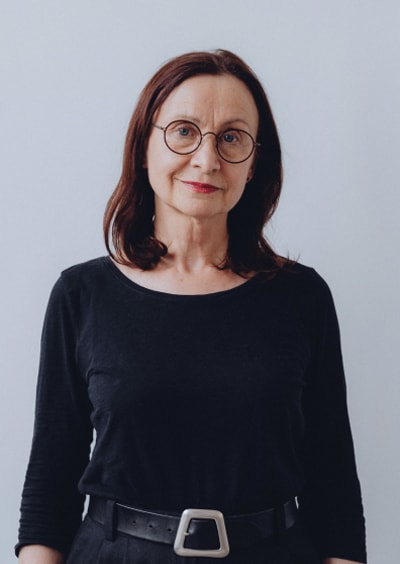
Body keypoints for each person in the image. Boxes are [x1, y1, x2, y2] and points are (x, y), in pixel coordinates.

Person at [16, 49, 366, 564]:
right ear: (144, 146)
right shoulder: (81, 295)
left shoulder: (302, 296)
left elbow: (334, 488)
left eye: (232, 138)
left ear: (254, 162)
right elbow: (49, 485)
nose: (207, 159)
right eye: (183, 131)